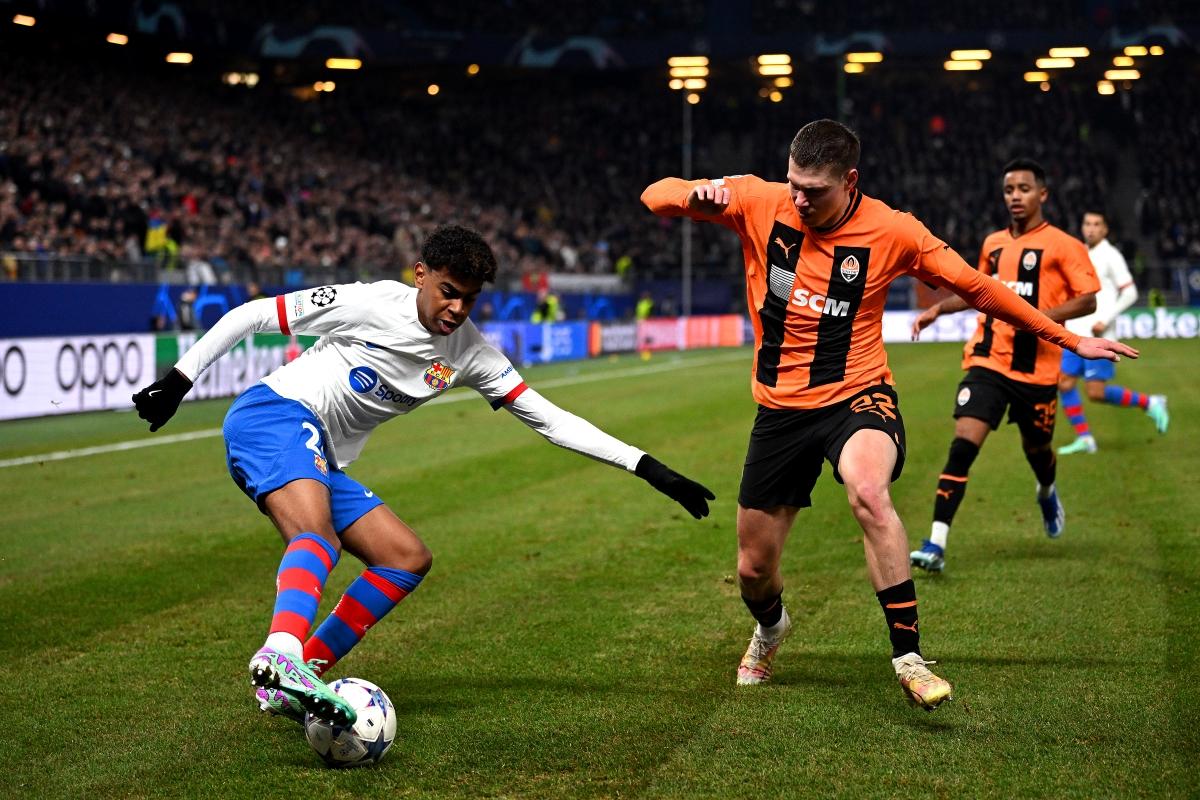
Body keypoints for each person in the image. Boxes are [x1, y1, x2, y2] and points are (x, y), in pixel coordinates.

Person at [132, 224, 714, 726]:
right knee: (316, 536)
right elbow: (255, 313)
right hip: (274, 415)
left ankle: (298, 675)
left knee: (405, 558)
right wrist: (179, 380)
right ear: (421, 275)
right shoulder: (371, 303)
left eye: (469, 299)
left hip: (318, 452)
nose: (457, 309)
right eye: (448, 292)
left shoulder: (471, 353)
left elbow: (550, 419)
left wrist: (647, 466)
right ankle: (280, 652)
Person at [641, 122, 1136, 710]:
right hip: (780, 410)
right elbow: (655, 194)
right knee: (753, 570)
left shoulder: (895, 230)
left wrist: (1070, 339)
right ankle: (771, 629)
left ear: (850, 181)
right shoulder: (757, 199)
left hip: (859, 394)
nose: (800, 199)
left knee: (870, 494)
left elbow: (979, 288)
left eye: (814, 190)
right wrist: (694, 196)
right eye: (794, 184)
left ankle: (909, 657)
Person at [910, 159, 1103, 575]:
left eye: (1024, 189)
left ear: (1042, 194)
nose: (1015, 196)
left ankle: (1046, 491)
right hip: (988, 361)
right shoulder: (993, 244)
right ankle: (936, 543)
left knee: (1038, 451)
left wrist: (1038, 317)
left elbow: (1088, 300)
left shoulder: (1064, 245)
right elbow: (978, 291)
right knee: (963, 445)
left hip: (1037, 371)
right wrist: (940, 308)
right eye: (1009, 190)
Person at [1057, 210, 1168, 455]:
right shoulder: (1079, 252)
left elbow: (1130, 292)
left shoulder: (1111, 255)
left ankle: (1150, 402)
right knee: (1064, 383)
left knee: (1095, 392)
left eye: (1097, 224)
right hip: (1074, 333)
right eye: (1087, 223)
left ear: (1105, 229)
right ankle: (1085, 439)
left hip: (1099, 335)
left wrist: (1105, 319)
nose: (1091, 228)